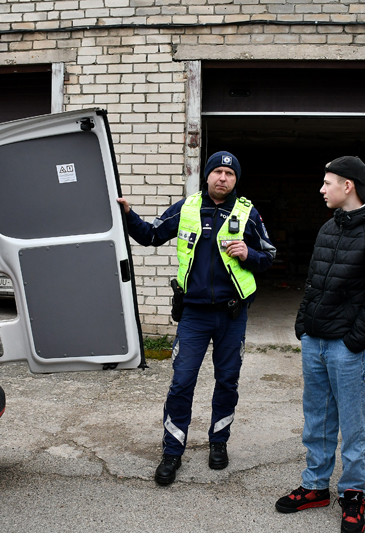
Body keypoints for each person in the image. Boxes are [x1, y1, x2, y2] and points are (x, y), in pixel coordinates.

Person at [117, 151, 275, 485]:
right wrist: (128, 214)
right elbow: (149, 235)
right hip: (194, 316)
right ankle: (172, 452)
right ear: (206, 176)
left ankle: (218, 443)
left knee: (227, 381)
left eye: (229, 174)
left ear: (236, 180)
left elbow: (269, 257)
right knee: (181, 383)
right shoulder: (186, 208)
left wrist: (251, 254)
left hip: (233, 315)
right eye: (217, 171)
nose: (222, 178)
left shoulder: (248, 213)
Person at [276, 156, 365, 533]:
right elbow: (313, 282)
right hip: (315, 339)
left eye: (328, 182)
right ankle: (315, 486)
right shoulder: (329, 227)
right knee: (317, 419)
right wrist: (303, 324)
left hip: (348, 347)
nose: (321, 188)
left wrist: (357, 339)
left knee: (354, 426)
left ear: (348, 186)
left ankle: (353, 493)